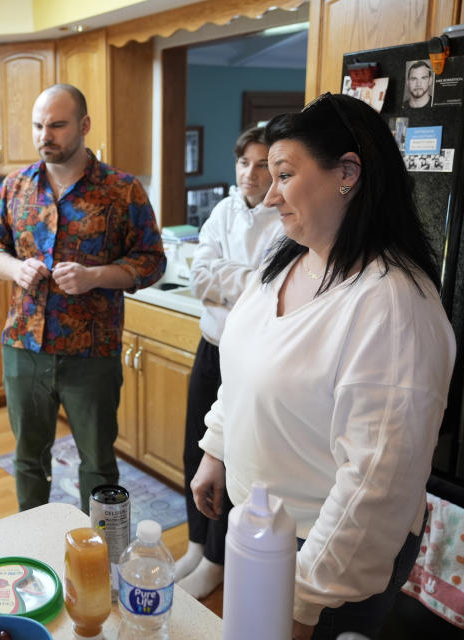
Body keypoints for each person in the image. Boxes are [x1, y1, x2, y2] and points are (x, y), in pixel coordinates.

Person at [190, 92, 455, 640]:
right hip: (260, 528)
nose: (269, 199)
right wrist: (217, 450)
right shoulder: (283, 263)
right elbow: (243, 368)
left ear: (348, 173)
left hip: (325, 558)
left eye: (284, 175)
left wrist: (302, 599)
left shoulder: (393, 305)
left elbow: (376, 484)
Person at [0, 84, 166, 512]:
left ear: (83, 126)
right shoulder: (14, 187)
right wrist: (15, 269)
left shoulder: (122, 190)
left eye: (58, 125)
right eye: (39, 126)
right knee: (27, 459)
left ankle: (101, 555)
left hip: (92, 352)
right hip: (25, 346)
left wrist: (94, 276)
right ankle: (37, 546)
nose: (46, 135)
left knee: (98, 462)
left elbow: (152, 262)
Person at [175, 126, 282, 600]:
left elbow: (274, 292)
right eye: (244, 163)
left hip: (252, 359)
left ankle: (217, 560)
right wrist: (249, 282)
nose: (251, 174)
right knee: (195, 450)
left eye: (262, 164)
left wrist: (230, 281)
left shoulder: (284, 217)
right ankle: (197, 544)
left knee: (233, 458)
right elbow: (200, 279)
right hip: (211, 348)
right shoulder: (221, 210)